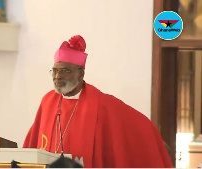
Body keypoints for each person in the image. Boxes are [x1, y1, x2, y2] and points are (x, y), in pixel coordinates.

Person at [23, 35, 173, 168]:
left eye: (65, 71)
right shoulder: (48, 101)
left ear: (81, 73)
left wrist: (155, 145)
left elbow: (140, 128)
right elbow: (33, 143)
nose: (57, 76)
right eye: (55, 71)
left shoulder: (101, 104)